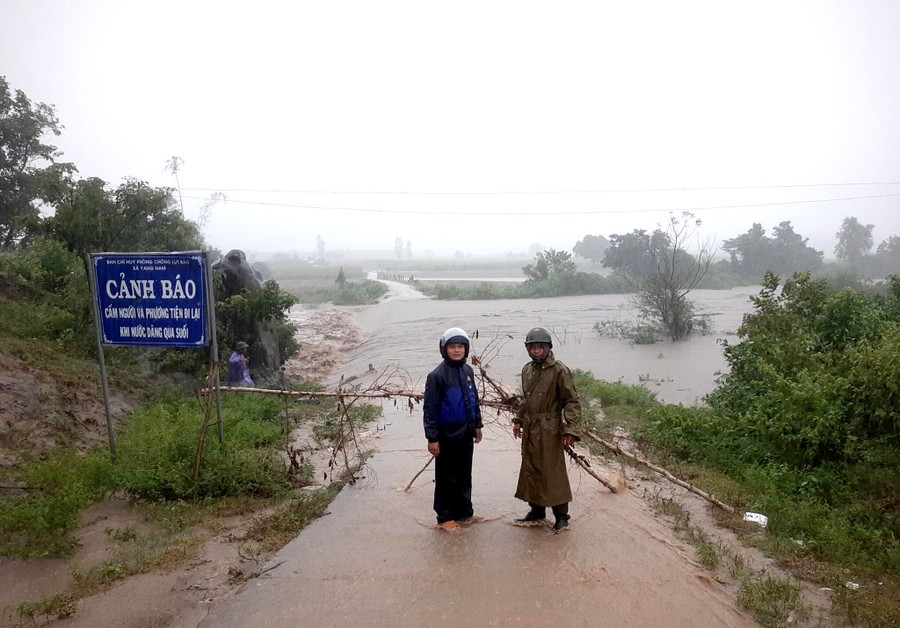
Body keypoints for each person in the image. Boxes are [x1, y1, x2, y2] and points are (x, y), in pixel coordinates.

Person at [512, 327, 582, 532]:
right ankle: (537, 510)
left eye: (540, 347)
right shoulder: (527, 369)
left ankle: (561, 517)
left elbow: (572, 401)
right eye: (532, 347)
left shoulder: (560, 370)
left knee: (553, 472)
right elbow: (526, 399)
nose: (536, 351)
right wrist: (518, 419)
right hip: (530, 427)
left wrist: (571, 430)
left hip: (550, 428)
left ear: (548, 347)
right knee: (531, 469)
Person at [423, 327, 484, 531]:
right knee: (446, 477)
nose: (456, 350)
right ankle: (445, 517)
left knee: (465, 474)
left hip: (466, 431)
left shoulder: (468, 371)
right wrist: (432, 438)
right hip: (446, 434)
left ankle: (464, 512)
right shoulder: (437, 376)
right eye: (452, 347)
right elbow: (430, 410)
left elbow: (473, 400)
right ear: (444, 349)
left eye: (460, 346)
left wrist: (477, 425)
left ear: (466, 349)